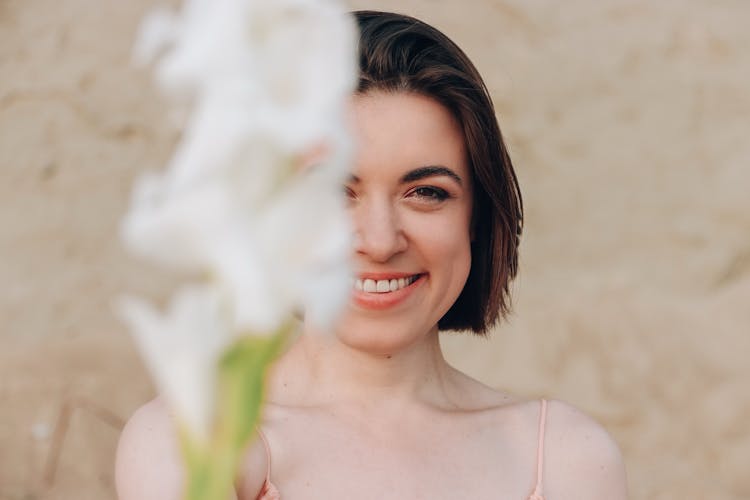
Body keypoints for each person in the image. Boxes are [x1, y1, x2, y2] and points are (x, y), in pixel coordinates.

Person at [115, 11, 628, 500]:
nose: (380, 242)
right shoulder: (198, 439)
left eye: (426, 192)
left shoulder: (565, 458)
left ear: (475, 218)